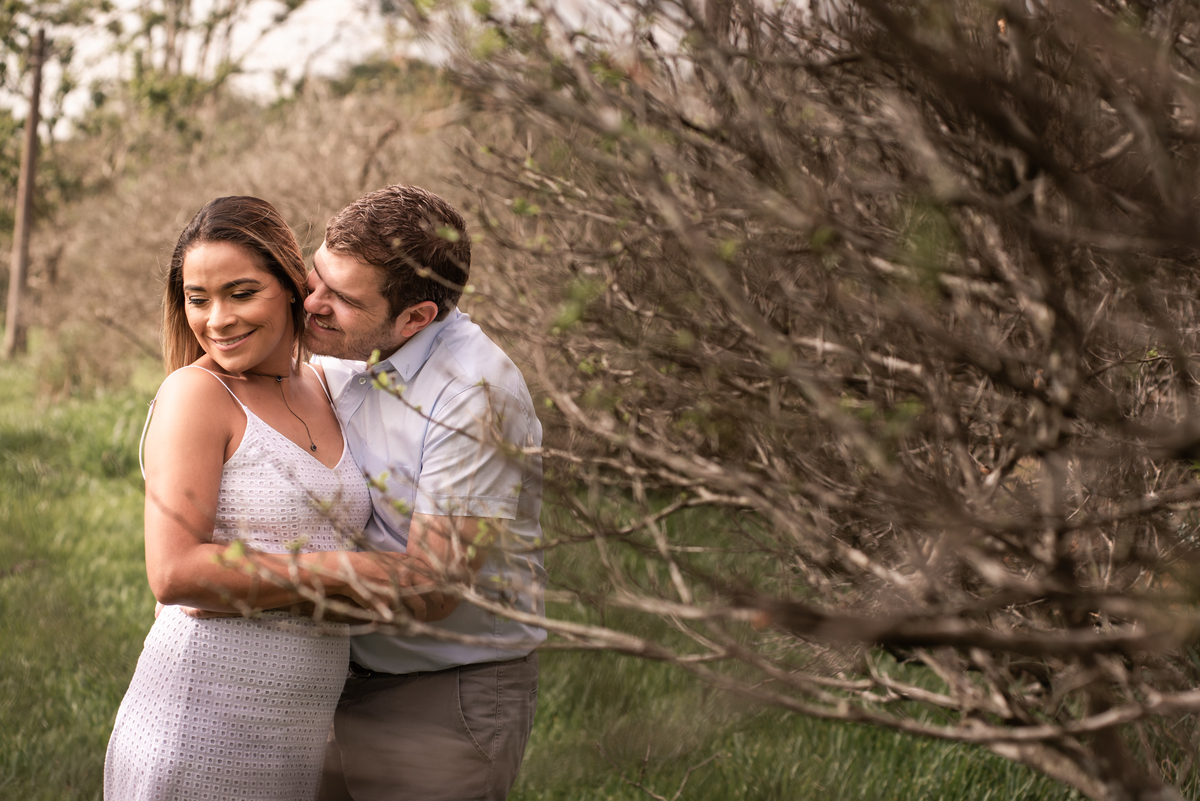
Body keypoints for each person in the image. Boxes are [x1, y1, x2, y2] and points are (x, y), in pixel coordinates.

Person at [104, 196, 417, 801]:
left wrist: (250, 584)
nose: (217, 320)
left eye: (241, 293)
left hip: (296, 732)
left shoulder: (329, 385)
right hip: (195, 724)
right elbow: (174, 572)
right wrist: (348, 572)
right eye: (198, 299)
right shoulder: (197, 394)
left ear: (294, 287)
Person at [306, 185, 546, 801]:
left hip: (442, 694)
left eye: (342, 298)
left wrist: (244, 584)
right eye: (317, 275)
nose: (311, 303)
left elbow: (433, 584)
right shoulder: (337, 342)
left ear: (415, 318)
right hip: (329, 671)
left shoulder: (476, 394)